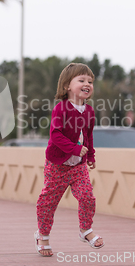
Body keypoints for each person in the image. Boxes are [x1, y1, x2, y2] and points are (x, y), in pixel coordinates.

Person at [34, 63, 104, 257]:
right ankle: (43, 235)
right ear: (67, 85)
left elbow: (88, 135)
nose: (87, 84)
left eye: (90, 81)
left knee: (87, 197)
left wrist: (90, 155)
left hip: (78, 167)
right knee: (48, 202)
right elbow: (55, 135)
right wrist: (74, 149)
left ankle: (85, 231)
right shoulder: (61, 109)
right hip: (57, 165)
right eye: (81, 80)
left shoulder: (89, 111)